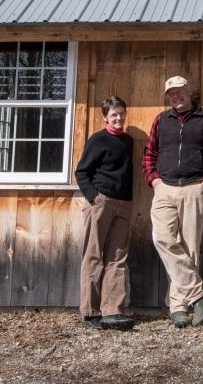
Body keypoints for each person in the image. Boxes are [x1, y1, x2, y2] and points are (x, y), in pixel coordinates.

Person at [143, 76, 203, 328]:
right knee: (163, 238)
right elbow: (149, 153)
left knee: (189, 246)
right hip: (165, 188)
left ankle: (179, 307)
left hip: (195, 187)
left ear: (189, 92)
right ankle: (198, 293)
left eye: (179, 92)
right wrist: (153, 180)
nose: (175, 97)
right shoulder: (161, 120)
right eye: (171, 94)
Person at [74, 96, 135, 331]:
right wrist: (94, 197)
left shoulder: (128, 141)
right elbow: (82, 172)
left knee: (117, 258)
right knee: (93, 255)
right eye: (113, 115)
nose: (118, 118)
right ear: (105, 117)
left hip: (124, 204)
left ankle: (113, 311)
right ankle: (90, 312)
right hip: (101, 203)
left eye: (121, 113)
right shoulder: (98, 140)